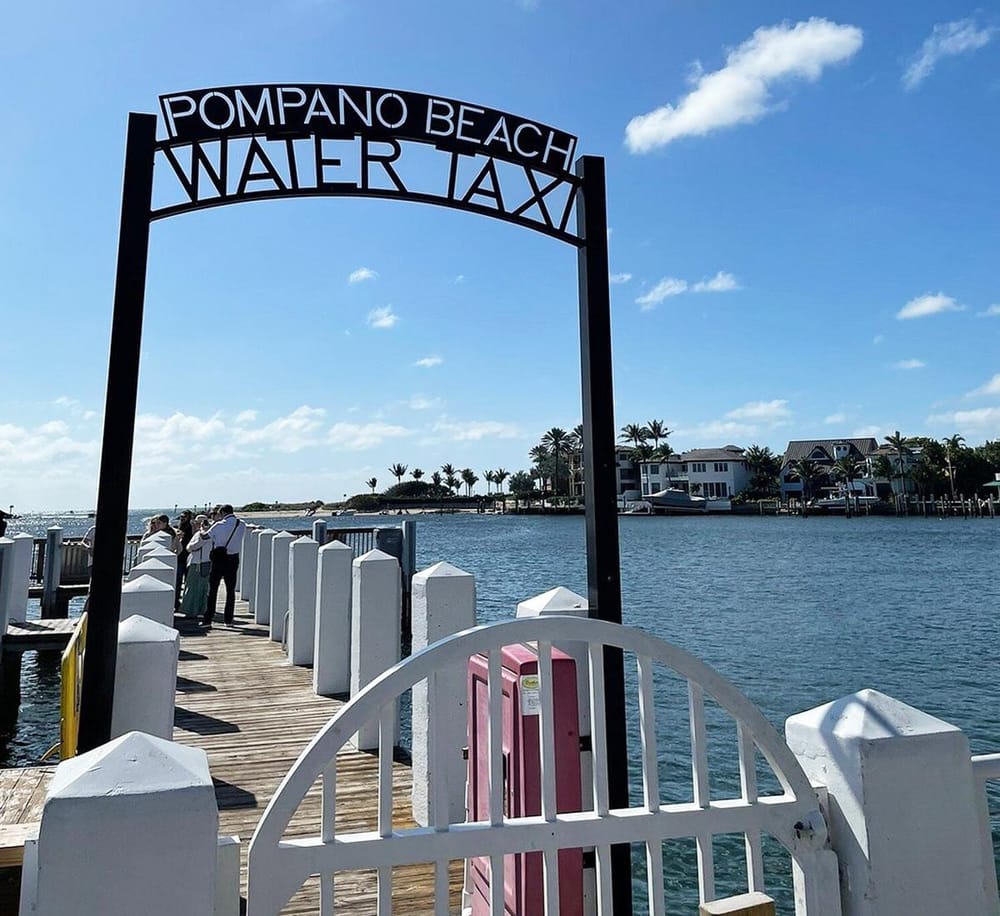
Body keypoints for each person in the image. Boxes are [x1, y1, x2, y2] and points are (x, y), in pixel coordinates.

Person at [202, 504, 246, 627]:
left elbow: (205, 537)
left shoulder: (219, 525)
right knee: (230, 590)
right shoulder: (241, 524)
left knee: (213, 589)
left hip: (219, 558)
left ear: (222, 513)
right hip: (233, 558)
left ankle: (208, 619)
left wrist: (202, 529)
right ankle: (228, 620)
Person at [180, 515, 213, 619]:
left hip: (197, 563)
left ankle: (192, 610)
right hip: (205, 562)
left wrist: (202, 536)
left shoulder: (201, 534)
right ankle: (201, 609)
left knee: (194, 587)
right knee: (202, 588)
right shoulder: (211, 534)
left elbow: (190, 547)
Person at [173, 510, 194, 610]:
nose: (182, 518)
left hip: (188, 557)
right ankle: (176, 603)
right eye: (181, 516)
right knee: (178, 581)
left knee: (187, 582)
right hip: (180, 558)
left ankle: (186, 603)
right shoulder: (179, 527)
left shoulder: (191, 527)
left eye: (184, 516)